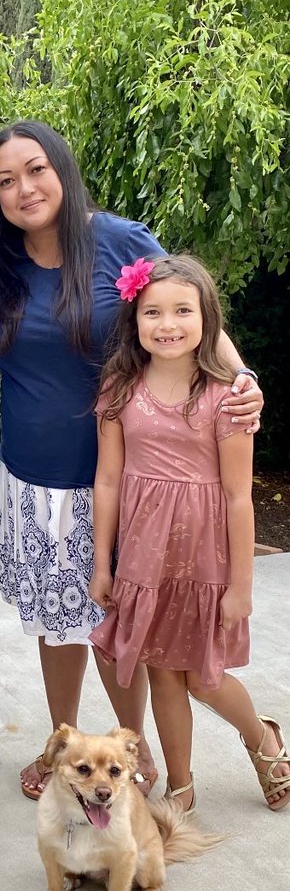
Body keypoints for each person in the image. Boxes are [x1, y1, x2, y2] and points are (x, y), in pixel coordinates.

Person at [0, 121, 264, 801]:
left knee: (116, 627)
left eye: (36, 169)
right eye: (6, 181)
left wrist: (243, 380)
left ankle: (131, 756)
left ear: (62, 169)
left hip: (121, 483)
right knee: (58, 626)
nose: (24, 189)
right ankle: (66, 749)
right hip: (32, 480)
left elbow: (187, 312)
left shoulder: (119, 241)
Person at [89, 254, 289, 812]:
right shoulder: (120, 388)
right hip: (144, 562)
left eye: (183, 310)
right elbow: (108, 480)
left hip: (206, 561)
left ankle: (262, 739)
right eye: (152, 312)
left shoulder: (227, 397)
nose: (168, 324)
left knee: (203, 678)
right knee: (162, 675)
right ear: (134, 320)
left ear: (208, 319)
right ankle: (181, 788)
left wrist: (241, 586)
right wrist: (103, 564)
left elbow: (238, 496)